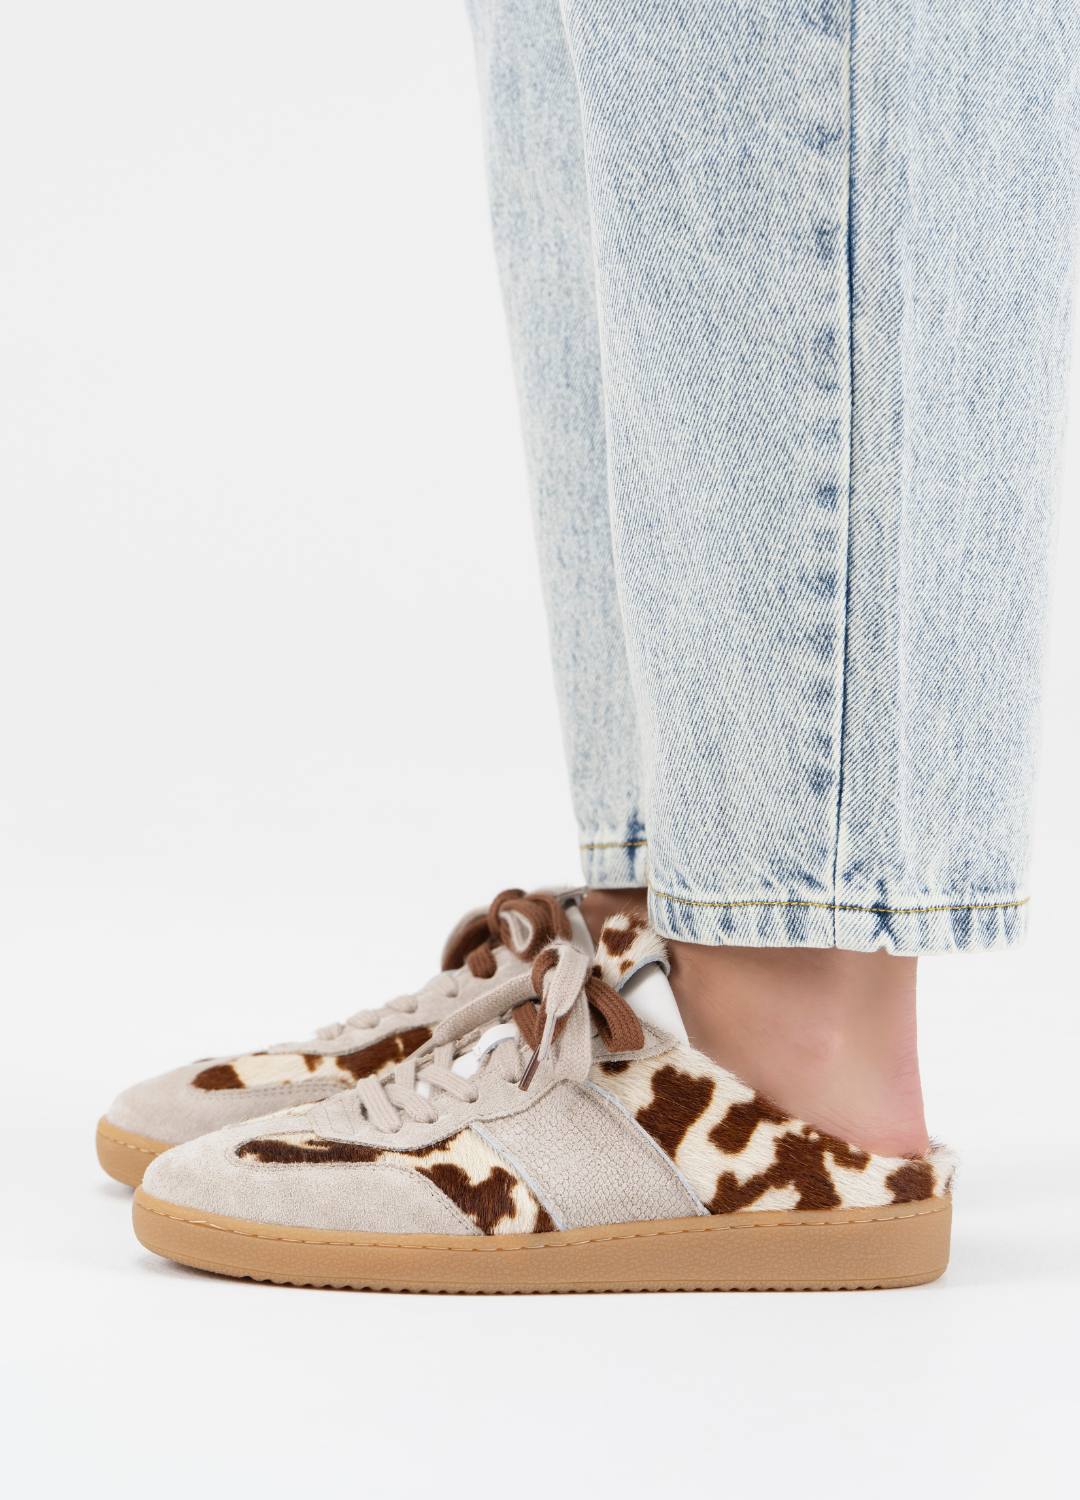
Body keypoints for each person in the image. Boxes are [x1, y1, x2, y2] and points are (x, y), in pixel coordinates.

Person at [109, 2, 1080, 1292]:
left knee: (769, 51)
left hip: (789, 1068)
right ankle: (651, 935)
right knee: (609, 80)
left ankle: (793, 1029)